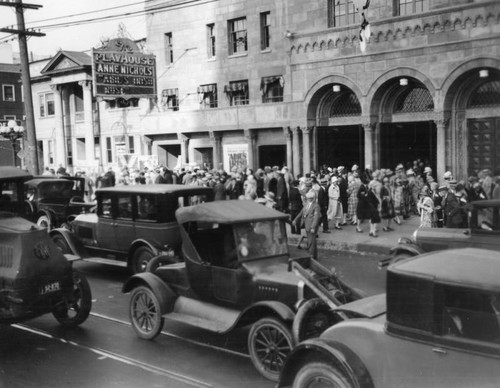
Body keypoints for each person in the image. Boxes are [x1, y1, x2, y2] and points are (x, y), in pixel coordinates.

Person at [293, 190, 321, 260]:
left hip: (311, 226)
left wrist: (313, 227)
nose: (310, 199)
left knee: (311, 241)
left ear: (313, 198)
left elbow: (316, 217)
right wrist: (295, 219)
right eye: (309, 198)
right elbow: (301, 212)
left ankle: (311, 255)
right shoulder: (306, 204)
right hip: (307, 224)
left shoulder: (316, 206)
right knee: (311, 240)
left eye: (311, 198)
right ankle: (313, 255)